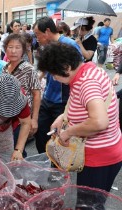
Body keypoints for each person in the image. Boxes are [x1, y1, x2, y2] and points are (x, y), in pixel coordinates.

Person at [37, 41, 122, 192]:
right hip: (104, 150)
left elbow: (100, 122)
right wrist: (64, 116)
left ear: (66, 68)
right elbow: (85, 104)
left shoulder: (87, 82)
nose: (54, 78)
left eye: (54, 74)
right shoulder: (88, 70)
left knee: (89, 204)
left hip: (100, 157)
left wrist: (69, 132)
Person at [33, 16, 81, 154]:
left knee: (58, 137)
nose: (37, 38)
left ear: (47, 31)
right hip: (48, 98)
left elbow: (78, 72)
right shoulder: (49, 46)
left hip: (62, 101)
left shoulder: (69, 45)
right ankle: (45, 163)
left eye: (38, 34)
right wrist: (40, 76)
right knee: (41, 134)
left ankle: (57, 169)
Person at [2, 33, 41, 156]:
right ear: (5, 49)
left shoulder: (28, 69)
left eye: (17, 47)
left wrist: (34, 120)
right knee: (8, 149)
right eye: (10, 47)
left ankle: (20, 173)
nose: (13, 51)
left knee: (18, 149)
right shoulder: (5, 68)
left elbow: (36, 94)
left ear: (23, 50)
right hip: (6, 118)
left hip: (22, 119)